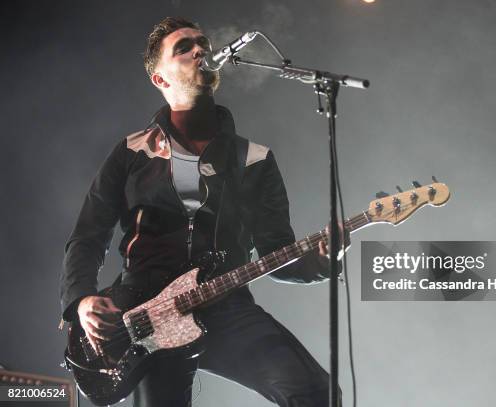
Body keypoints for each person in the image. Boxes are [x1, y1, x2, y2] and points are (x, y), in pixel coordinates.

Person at [60, 16, 346, 407]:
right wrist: (81, 300)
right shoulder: (130, 152)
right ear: (160, 79)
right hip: (145, 313)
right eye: (184, 48)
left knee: (317, 394)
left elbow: (277, 252)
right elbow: (88, 235)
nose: (200, 51)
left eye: (203, 44)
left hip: (227, 308)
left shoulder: (254, 159)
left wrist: (322, 260)